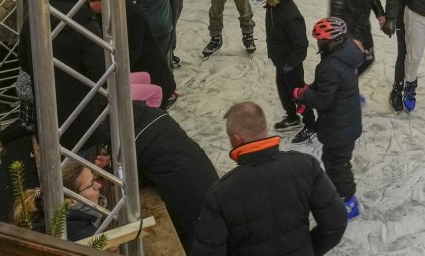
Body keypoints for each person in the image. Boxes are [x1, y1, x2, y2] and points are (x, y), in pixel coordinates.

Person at [188, 100, 347, 255]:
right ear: (264, 129)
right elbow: (336, 222)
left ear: (236, 139)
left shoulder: (219, 194)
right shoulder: (306, 166)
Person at [297, 18, 367, 220]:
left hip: (339, 127)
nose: (318, 45)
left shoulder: (330, 65)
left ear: (332, 41)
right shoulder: (347, 53)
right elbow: (329, 84)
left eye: (321, 40)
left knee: (337, 164)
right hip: (346, 121)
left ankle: (348, 202)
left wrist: (303, 95)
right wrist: (311, 88)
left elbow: (322, 100)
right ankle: (342, 192)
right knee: (336, 161)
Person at [125, 102, 218, 252]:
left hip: (187, 202)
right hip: (208, 182)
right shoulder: (156, 114)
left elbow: (134, 180)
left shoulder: (132, 140)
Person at [260, 0, 310, 133]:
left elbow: (301, 44)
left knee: (298, 94)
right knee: (283, 89)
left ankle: (310, 123)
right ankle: (292, 117)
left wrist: (291, 63)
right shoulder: (274, 4)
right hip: (281, 60)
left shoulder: (289, 16)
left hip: (290, 64)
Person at [126, 0, 177, 103]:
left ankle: (158, 92)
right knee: (165, 59)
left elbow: (125, 2)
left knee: (153, 63)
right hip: (166, 25)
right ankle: (170, 89)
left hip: (150, 28)